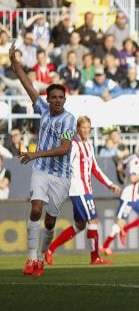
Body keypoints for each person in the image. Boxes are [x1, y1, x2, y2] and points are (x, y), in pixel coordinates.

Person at [11, 45, 76, 277]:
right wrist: (15, 63)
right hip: (40, 170)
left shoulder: (70, 121)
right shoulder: (44, 109)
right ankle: (31, 259)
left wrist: (35, 153)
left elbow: (65, 149)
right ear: (48, 100)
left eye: (60, 97)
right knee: (36, 208)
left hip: (61, 175)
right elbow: (28, 85)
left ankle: (43, 254)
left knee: (50, 221)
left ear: (64, 100)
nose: (57, 101)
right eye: (53, 98)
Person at [44, 116, 121, 266]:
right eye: (83, 127)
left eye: (88, 127)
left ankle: (50, 249)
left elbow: (95, 169)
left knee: (80, 225)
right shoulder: (73, 145)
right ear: (77, 128)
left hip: (86, 189)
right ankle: (95, 258)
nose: (86, 130)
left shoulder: (89, 146)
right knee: (93, 220)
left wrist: (110, 184)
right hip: (78, 189)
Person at [102, 143, 139, 256]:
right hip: (127, 198)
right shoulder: (136, 161)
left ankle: (126, 229)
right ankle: (105, 246)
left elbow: (119, 167)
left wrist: (124, 173)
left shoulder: (131, 157)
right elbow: (133, 178)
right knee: (119, 224)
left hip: (135, 196)